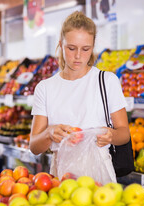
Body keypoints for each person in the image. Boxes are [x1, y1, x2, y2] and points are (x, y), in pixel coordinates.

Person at [29, 11, 130, 183]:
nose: (78, 56)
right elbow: (34, 146)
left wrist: (111, 135)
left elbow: (124, 134)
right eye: (71, 48)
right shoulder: (45, 88)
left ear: (92, 47)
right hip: (61, 175)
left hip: (100, 174)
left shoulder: (107, 81)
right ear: (61, 45)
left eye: (85, 49)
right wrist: (49, 133)